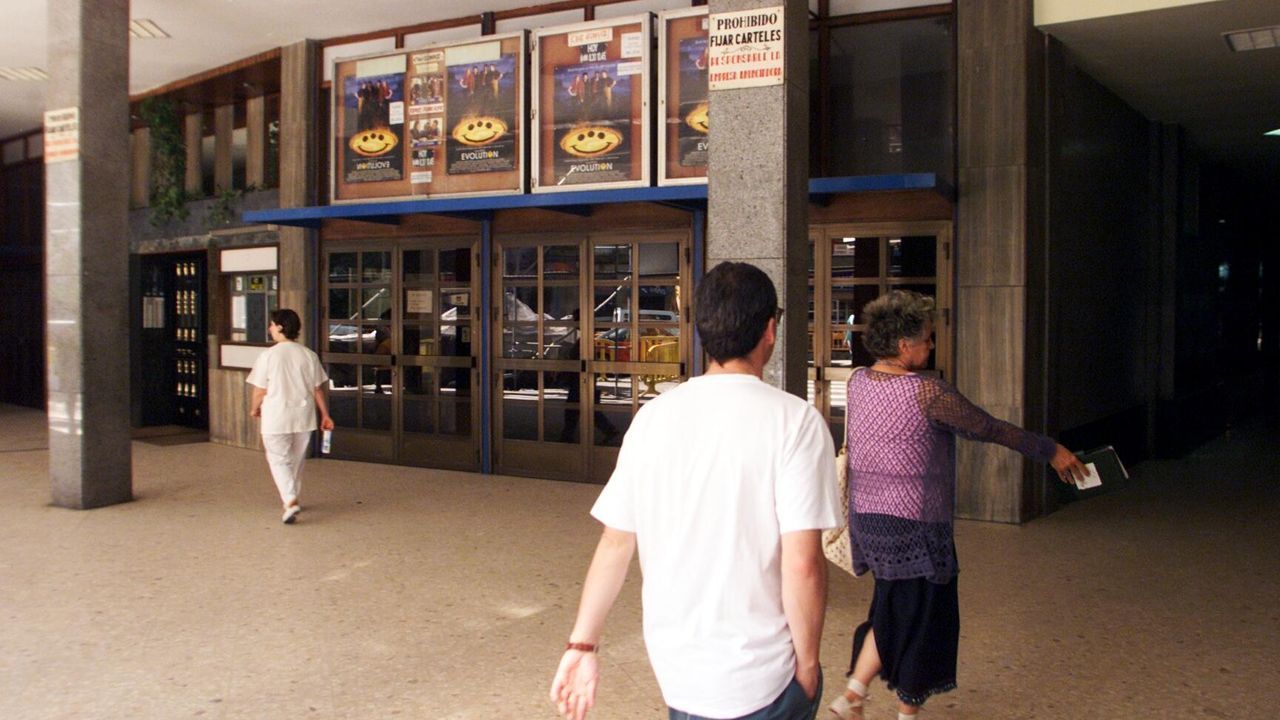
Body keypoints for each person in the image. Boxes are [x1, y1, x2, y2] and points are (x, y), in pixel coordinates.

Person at [550, 262, 841, 720]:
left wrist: (582, 645)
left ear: (701, 328)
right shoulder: (796, 422)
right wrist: (807, 666)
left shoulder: (652, 419)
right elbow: (803, 563)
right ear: (770, 329)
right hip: (764, 677)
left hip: (678, 674)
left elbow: (615, 542)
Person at [828, 290, 1086, 720]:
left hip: (869, 519)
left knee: (894, 604)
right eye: (927, 339)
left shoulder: (858, 382)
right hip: (915, 525)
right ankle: (873, 702)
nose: (931, 346)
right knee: (926, 616)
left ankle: (860, 695)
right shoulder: (927, 392)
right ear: (904, 345)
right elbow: (989, 428)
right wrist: (1049, 450)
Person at [247, 309, 335, 525]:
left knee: (278, 459)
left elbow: (259, 390)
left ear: (280, 327)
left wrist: (254, 408)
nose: (269, 328)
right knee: (296, 460)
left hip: (276, 416)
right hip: (303, 416)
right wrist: (325, 415)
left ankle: (289, 500)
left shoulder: (268, 356)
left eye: (271, 324)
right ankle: (292, 495)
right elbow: (317, 389)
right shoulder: (308, 355)